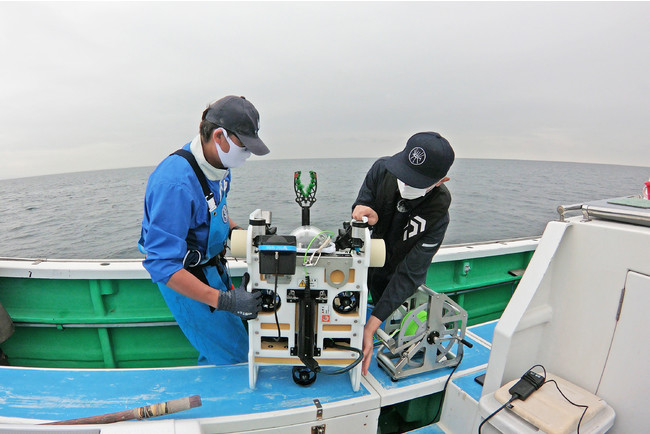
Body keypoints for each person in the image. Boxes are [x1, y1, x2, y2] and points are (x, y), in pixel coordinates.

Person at [139, 95, 267, 365]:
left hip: (213, 269)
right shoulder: (174, 184)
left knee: (227, 341)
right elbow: (162, 266)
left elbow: (214, 209)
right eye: (243, 145)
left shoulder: (219, 165)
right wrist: (226, 301)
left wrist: (239, 233)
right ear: (219, 136)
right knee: (234, 357)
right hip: (186, 277)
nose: (246, 153)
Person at [351, 132, 455, 375]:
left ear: (441, 181)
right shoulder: (381, 169)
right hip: (360, 261)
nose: (406, 184)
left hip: (394, 275)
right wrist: (366, 216)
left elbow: (410, 274)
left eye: (416, 181)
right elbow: (361, 205)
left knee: (388, 321)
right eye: (404, 174)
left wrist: (371, 327)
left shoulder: (438, 216)